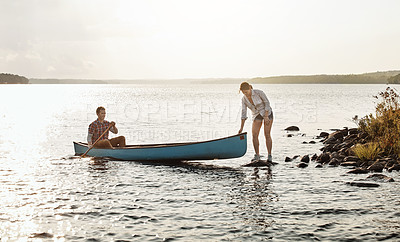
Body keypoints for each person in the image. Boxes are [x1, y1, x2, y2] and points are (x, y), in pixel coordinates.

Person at [238, 82, 273, 162]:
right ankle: (257, 155)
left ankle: (269, 155)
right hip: (256, 115)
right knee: (254, 135)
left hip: (267, 112)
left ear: (250, 88)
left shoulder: (259, 93)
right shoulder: (244, 99)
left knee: (267, 134)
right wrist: (241, 128)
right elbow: (244, 113)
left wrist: (266, 116)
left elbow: (267, 103)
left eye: (246, 92)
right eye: (243, 93)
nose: (245, 94)